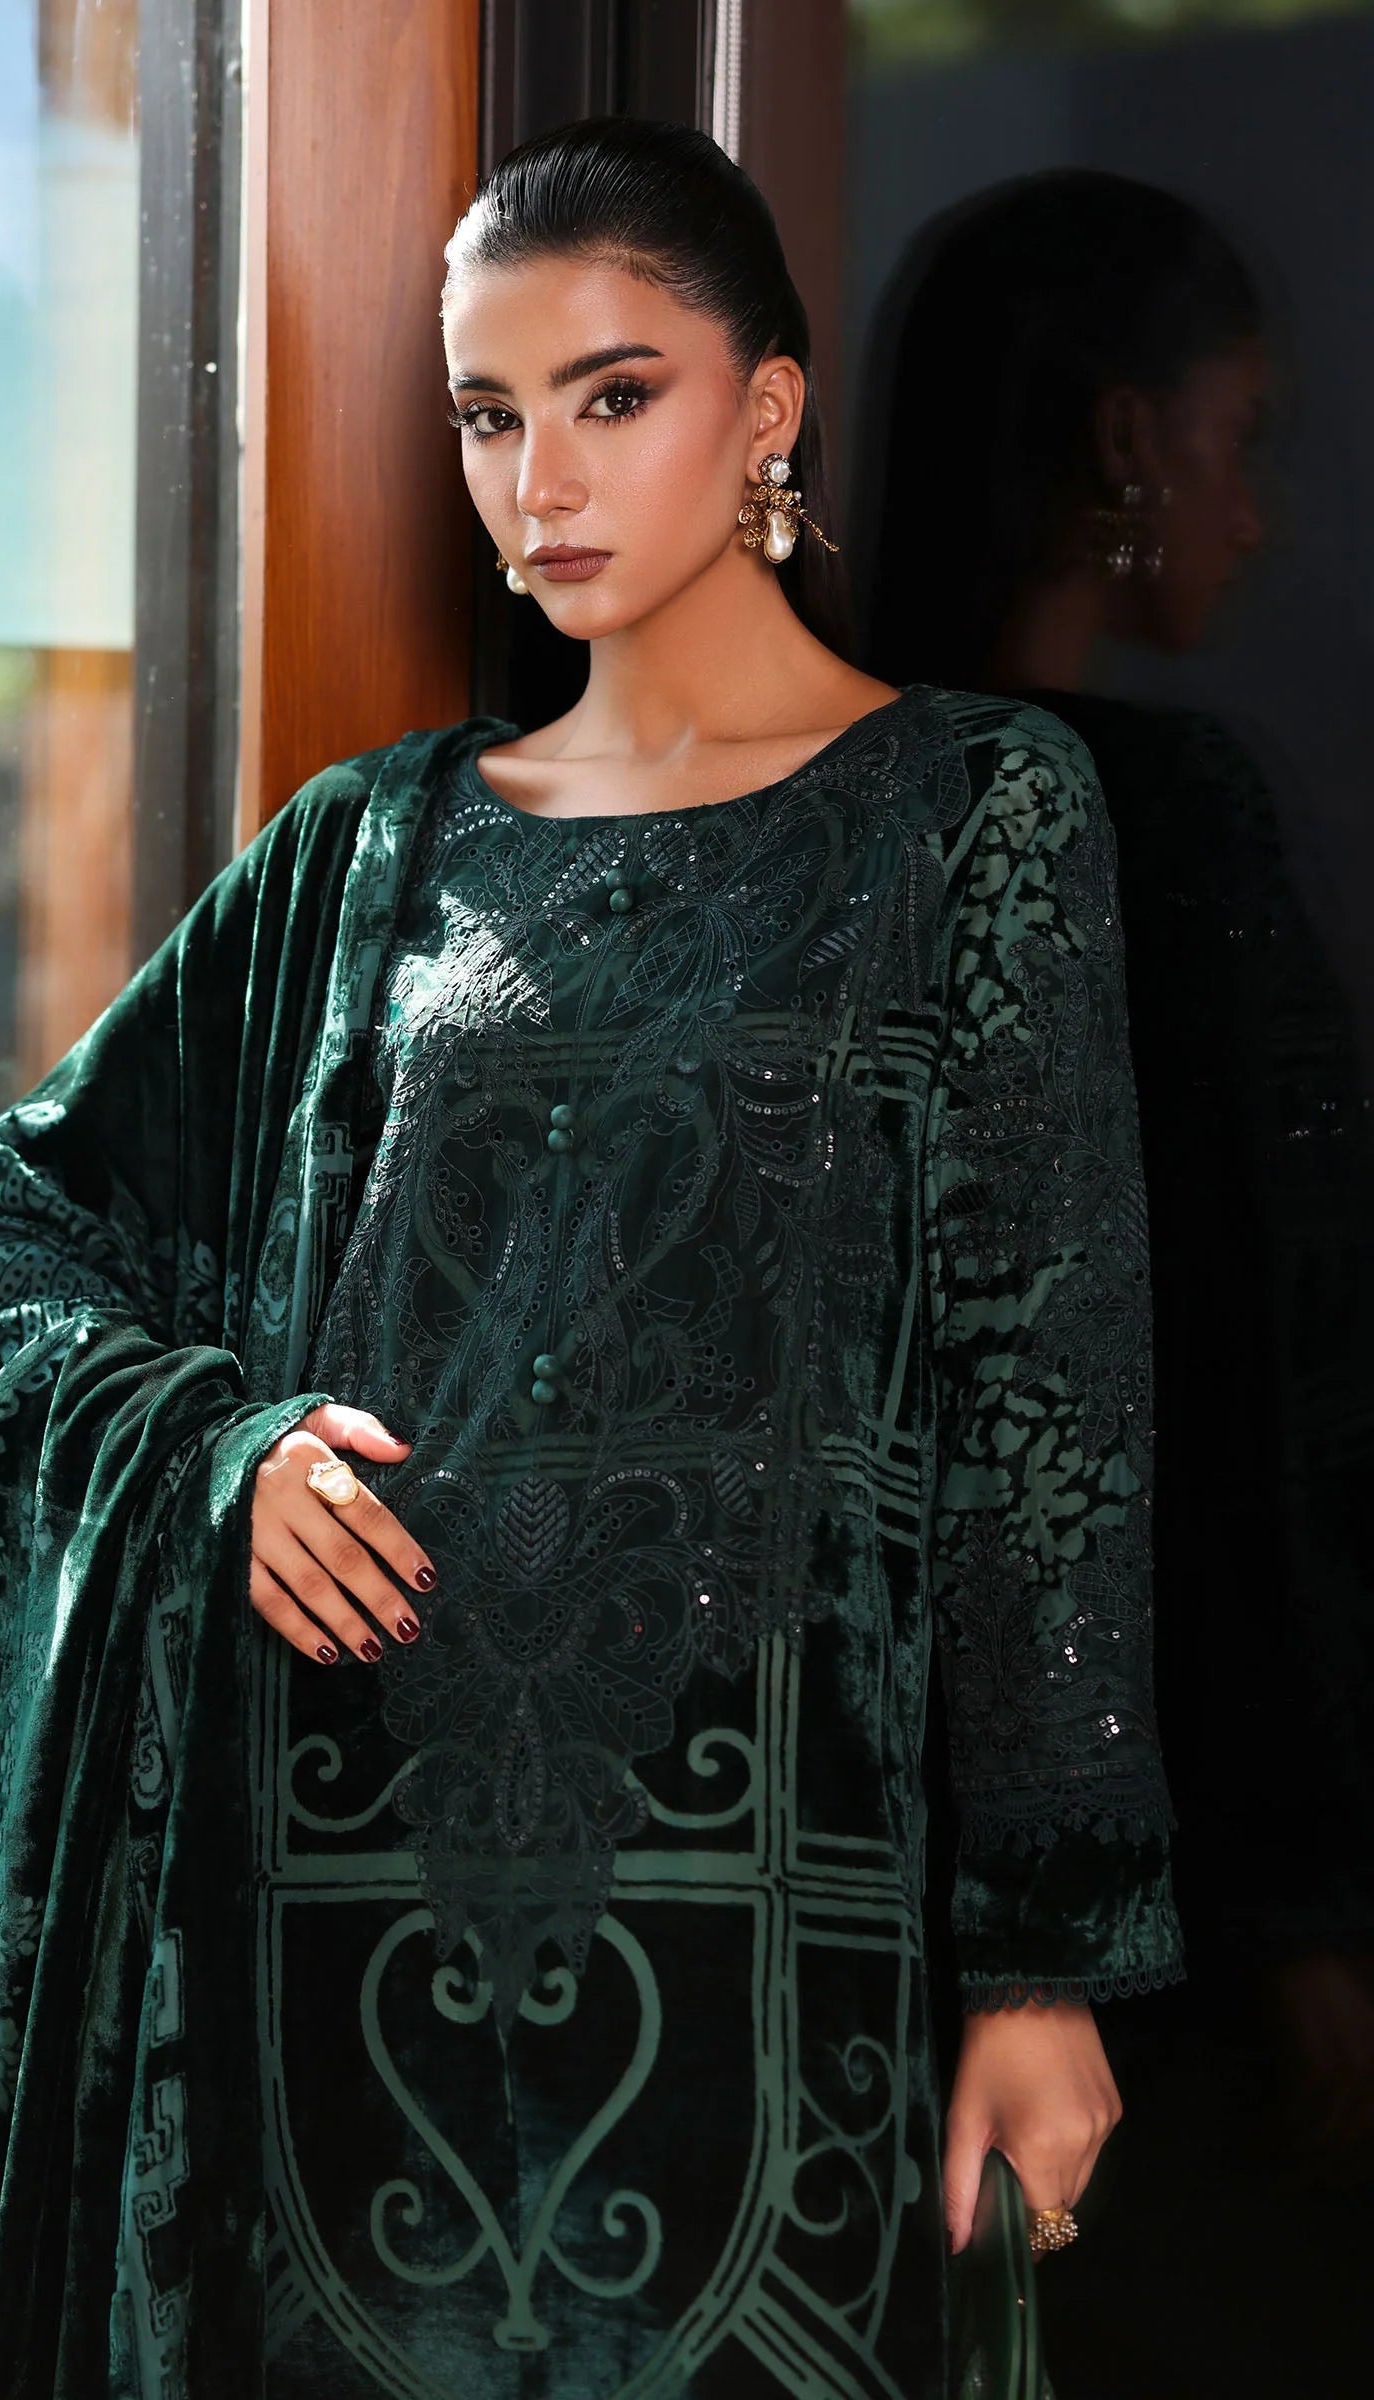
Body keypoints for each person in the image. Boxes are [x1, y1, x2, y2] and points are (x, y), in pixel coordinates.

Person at [0, 121, 1182, 2399]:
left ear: (765, 412)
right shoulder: (358, 857)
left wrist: (1040, 1963)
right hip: (332, 1959)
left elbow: (1045, 1392)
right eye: (488, 414)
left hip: (778, 1993)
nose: (538, 482)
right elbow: (2, 1256)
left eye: (612, 395)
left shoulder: (973, 812)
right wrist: (215, 1453)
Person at [854, 169, 1374, 2389]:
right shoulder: (1151, 818)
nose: (1255, 509)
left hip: (837, 1857)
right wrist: (1305, 1900)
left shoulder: (794, 807)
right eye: (1239, 438)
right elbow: (1262, 1396)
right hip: (1138, 1884)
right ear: (1125, 442)